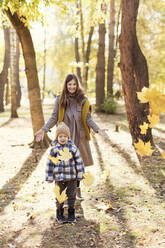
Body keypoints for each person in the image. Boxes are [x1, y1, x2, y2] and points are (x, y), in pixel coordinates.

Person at [36, 73, 109, 198]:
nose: (72, 87)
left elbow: (88, 119)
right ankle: (64, 193)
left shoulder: (83, 100)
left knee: (78, 164)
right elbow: (54, 117)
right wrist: (44, 129)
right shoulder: (60, 100)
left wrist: (98, 130)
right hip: (65, 138)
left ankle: (77, 189)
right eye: (69, 84)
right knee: (64, 165)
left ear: (77, 85)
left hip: (80, 137)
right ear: (66, 85)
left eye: (74, 84)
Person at [45, 122, 85, 223]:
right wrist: (49, 177)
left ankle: (71, 214)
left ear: (68, 137)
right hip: (59, 178)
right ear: (57, 137)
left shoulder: (73, 148)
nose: (62, 138)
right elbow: (50, 164)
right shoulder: (54, 150)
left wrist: (80, 175)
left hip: (72, 178)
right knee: (59, 196)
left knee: (71, 196)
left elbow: (79, 162)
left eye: (65, 136)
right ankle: (59, 214)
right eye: (60, 136)